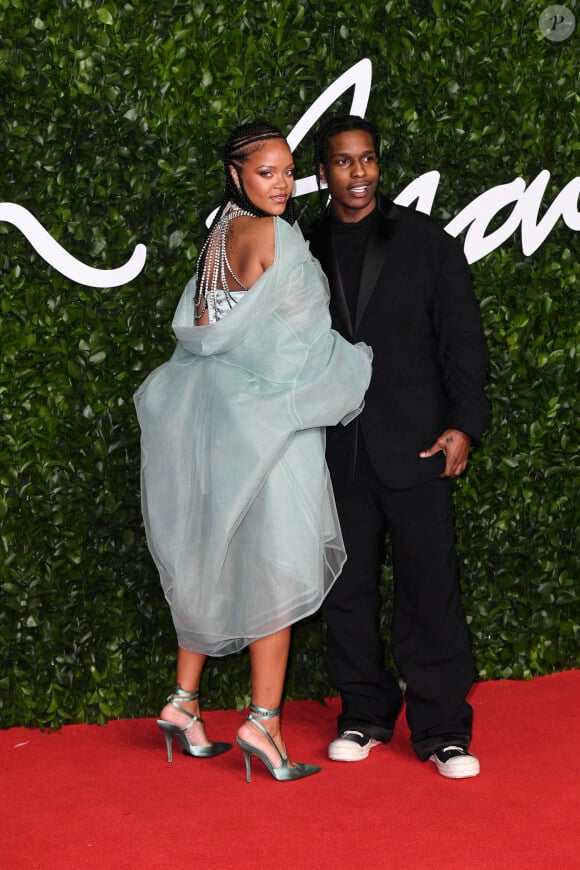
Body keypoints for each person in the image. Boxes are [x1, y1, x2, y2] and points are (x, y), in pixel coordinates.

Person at [134, 122, 372, 783]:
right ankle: (263, 722)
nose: (282, 183)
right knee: (278, 574)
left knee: (213, 560)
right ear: (237, 175)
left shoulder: (220, 239)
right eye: (267, 172)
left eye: (289, 171)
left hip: (217, 430)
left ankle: (184, 702)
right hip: (272, 437)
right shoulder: (279, 237)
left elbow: (206, 334)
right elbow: (305, 348)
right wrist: (354, 363)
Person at [306, 115, 489, 779]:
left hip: (416, 447)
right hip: (335, 450)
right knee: (347, 591)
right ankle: (363, 712)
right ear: (323, 172)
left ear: (379, 166)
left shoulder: (425, 242)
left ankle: (443, 730)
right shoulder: (303, 245)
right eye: (344, 163)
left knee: (429, 589)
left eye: (368, 160)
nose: (359, 175)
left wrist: (464, 425)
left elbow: (461, 339)